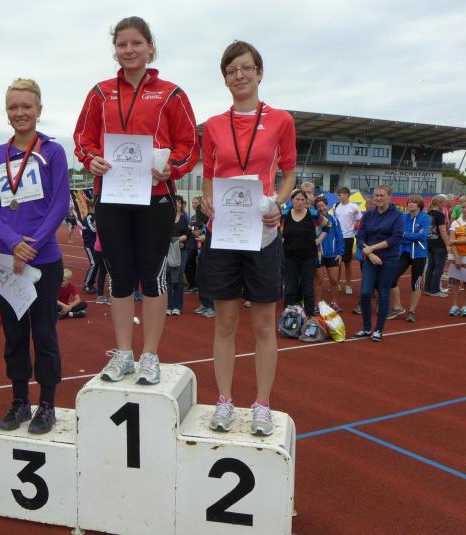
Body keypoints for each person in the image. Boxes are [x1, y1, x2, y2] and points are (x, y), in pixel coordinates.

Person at [73, 16, 199, 385]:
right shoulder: (99, 93)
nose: (128, 50)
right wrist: (91, 159)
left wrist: (172, 167)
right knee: (119, 275)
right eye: (122, 44)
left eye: (136, 43)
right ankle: (124, 353)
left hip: (155, 197)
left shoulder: (171, 94)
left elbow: (189, 144)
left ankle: (151, 356)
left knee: (153, 276)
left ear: (150, 48)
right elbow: (83, 138)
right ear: (115, 50)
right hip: (112, 195)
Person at [199, 40, 296, 435]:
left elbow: (289, 173)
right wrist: (206, 200)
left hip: (263, 233)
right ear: (225, 78)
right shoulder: (213, 125)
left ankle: (262, 404)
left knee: (263, 325)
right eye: (231, 70)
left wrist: (279, 203)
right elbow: (209, 176)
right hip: (223, 232)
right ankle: (224, 400)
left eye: (245, 68)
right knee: (224, 322)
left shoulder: (281, 120)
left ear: (259, 73)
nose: (238, 75)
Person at [0, 78, 69, 433]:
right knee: (14, 337)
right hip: (7, 261)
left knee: (44, 334)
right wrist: (14, 242)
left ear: (39, 110)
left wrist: (30, 246)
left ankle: (47, 404)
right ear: (6, 112)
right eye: (13, 107)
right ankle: (19, 401)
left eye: (26, 106)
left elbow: (60, 203)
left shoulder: (53, 152)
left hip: (44, 260)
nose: (19, 113)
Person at [353, 185, 404, 342]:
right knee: (365, 292)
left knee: (383, 293)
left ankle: (378, 330)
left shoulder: (397, 215)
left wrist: (372, 248)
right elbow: (360, 237)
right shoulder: (368, 215)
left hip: (389, 259)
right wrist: (370, 253)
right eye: (376, 195)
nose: (378, 198)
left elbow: (396, 238)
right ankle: (366, 328)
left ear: (389, 197)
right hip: (371, 259)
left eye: (382, 195)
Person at [281, 189, 328, 318]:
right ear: (292, 200)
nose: (300, 202)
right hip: (289, 257)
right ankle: (288, 318)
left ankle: (309, 318)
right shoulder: (284, 214)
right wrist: (281, 239)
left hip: (308, 257)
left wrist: (319, 239)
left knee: (308, 289)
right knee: (290, 289)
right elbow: (277, 228)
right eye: (297, 199)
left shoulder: (313, 214)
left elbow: (327, 224)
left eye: (303, 199)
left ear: (306, 201)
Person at [388, 195, 429, 322]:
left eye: (413, 202)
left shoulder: (425, 218)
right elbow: (398, 234)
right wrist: (412, 235)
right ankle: (397, 307)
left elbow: (423, 236)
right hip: (404, 252)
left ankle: (411, 311)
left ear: (419, 205)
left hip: (419, 254)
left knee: (415, 284)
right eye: (409, 202)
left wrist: (405, 234)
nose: (410, 204)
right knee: (391, 278)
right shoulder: (403, 217)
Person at [447, 197, 466, 316]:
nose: (465, 210)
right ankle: (454, 306)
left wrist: (455, 241)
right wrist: (456, 257)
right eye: (463, 207)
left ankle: (465, 306)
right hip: (455, 254)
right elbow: (451, 240)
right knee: (455, 280)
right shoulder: (455, 222)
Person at [313, 195, 344, 311]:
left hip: (333, 254)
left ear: (327, 206)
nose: (321, 208)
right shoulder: (314, 220)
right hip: (318, 254)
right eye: (318, 207)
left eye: (323, 206)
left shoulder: (334, 219)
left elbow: (339, 236)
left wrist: (340, 253)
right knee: (319, 280)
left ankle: (334, 303)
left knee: (334, 280)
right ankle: (317, 304)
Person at [334, 186, 363, 295]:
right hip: (337, 237)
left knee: (347, 262)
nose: (338, 197)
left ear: (346, 195)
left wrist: (355, 229)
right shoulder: (336, 205)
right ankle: (336, 284)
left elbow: (360, 220)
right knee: (337, 263)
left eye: (340, 195)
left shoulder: (354, 207)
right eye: (337, 195)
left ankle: (348, 285)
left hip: (348, 237)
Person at [167, 195, 191, 316]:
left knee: (179, 277)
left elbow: (188, 234)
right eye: (175, 202)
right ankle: (169, 305)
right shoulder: (166, 217)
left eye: (179, 202)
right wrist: (173, 241)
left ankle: (177, 306)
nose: (177, 204)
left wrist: (181, 239)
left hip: (181, 251)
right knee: (168, 278)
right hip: (169, 250)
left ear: (182, 205)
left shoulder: (184, 219)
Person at [424, 194, 451, 297]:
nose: (445, 204)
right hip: (439, 244)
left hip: (429, 242)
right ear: (440, 203)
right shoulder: (440, 215)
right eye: (444, 202)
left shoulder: (428, 213)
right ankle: (435, 290)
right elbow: (443, 231)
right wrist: (447, 245)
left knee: (430, 266)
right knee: (439, 267)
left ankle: (428, 288)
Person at [80, 200, 99, 294]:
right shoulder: (88, 218)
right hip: (89, 244)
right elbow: (93, 230)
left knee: (97, 264)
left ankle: (90, 283)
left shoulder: (95, 217)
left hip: (95, 244)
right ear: (91, 207)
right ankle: (87, 284)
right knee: (94, 263)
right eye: (95, 207)